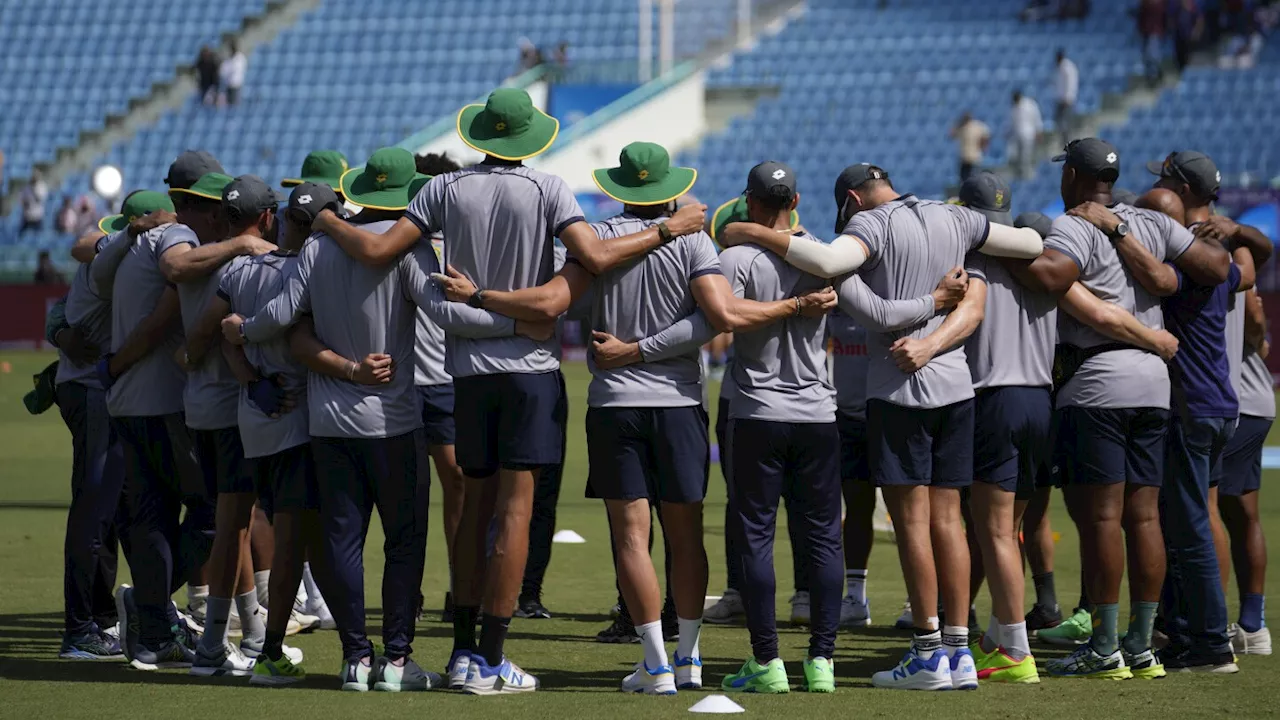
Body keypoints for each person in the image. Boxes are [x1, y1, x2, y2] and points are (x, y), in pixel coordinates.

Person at [303, 88, 707, 695]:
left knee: (472, 512)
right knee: (515, 513)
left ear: (481, 136)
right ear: (529, 139)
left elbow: (381, 248)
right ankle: (491, 659)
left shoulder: (441, 189)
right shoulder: (547, 189)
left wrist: (326, 216)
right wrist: (668, 230)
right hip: (529, 370)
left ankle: (463, 650)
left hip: (468, 374)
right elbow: (588, 261)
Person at [223, 146, 533, 692]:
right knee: (403, 542)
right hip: (394, 422)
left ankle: (354, 659)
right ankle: (394, 661)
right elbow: (445, 313)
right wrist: (514, 323)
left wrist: (241, 332)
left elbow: (280, 317)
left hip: (328, 422)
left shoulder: (318, 247)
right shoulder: (405, 252)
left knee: (341, 541)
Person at [718, 163, 1032, 691]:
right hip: (956, 385)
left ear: (853, 201)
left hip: (899, 389)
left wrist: (749, 231)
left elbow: (840, 274)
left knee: (912, 523)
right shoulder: (952, 216)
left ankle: (929, 650)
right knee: (950, 521)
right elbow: (1027, 243)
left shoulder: (872, 225)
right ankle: (958, 651)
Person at [1005, 138, 1228, 680]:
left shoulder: (1075, 223)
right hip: (1155, 380)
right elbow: (1213, 267)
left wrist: (1008, 254)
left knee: (1102, 518)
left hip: (1099, 381)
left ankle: (1105, 646)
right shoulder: (1148, 220)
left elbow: (1052, 277)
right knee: (1145, 516)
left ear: (1074, 177)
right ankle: (1141, 643)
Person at [103, 151, 261, 670]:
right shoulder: (178, 237)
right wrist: (241, 242)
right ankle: (151, 608)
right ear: (186, 202)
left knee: (153, 515)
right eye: (213, 205)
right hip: (164, 402)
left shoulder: (133, 240)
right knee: (216, 514)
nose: (221, 217)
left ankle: (152, 627)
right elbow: (170, 284)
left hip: (132, 400)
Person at [194, 182, 346, 685]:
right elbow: (290, 329)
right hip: (298, 420)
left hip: (250, 420)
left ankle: (214, 644)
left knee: (235, 526)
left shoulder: (237, 269)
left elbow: (223, 332)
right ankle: (273, 651)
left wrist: (249, 380)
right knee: (296, 545)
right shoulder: (310, 269)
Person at [1146, 150, 1273, 666]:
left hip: (1193, 401)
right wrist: (1236, 230)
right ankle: (1195, 628)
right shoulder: (1225, 258)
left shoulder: (1189, 259)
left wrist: (1116, 235)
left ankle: (1210, 640)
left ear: (1179, 188)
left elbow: (1156, 282)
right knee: (1200, 517)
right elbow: (1253, 260)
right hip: (1224, 400)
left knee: (1193, 524)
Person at [169, 174, 288, 678]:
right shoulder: (251, 264)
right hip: (231, 409)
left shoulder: (207, 256)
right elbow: (213, 335)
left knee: (231, 527)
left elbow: (195, 337)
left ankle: (252, 636)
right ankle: (215, 646)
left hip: (201, 407)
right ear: (265, 218)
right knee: (233, 526)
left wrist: (187, 352)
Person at [49, 191, 172, 660]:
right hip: (93, 390)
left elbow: (63, 305)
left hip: (93, 390)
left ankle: (99, 620)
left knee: (112, 509)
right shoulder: (117, 259)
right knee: (95, 510)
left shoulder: (113, 254)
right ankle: (82, 627)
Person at [1008, 91, 1043, 180]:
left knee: (1026, 156)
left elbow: (1036, 118)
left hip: (1029, 134)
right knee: (1017, 155)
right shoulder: (1014, 107)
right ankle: (1020, 174)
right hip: (1017, 135)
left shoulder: (1030, 104)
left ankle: (1027, 175)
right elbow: (1012, 123)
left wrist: (1038, 131)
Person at [950, 113, 991, 183]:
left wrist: (983, 146)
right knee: (965, 181)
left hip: (974, 158)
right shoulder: (962, 127)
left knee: (973, 180)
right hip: (965, 158)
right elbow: (952, 135)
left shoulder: (976, 126)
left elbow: (986, 135)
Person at [1053, 49, 1078, 145]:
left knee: (1066, 121)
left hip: (1066, 99)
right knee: (1059, 120)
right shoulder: (1059, 67)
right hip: (1060, 98)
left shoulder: (1068, 67)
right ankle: (1063, 140)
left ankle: (1067, 141)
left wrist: (1068, 97)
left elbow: (1071, 83)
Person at [1139, 0, 1167, 83]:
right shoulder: (1145, 3)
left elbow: (1164, 18)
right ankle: (1152, 74)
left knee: (1153, 53)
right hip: (1146, 32)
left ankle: (1154, 75)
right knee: (1147, 55)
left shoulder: (1161, 4)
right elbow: (1141, 17)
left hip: (1155, 32)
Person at [1173, 0, 1205, 71]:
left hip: (1189, 38)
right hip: (1179, 37)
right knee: (1179, 57)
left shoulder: (1193, 8)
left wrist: (1196, 32)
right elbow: (1173, 20)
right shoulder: (1178, 8)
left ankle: (1188, 71)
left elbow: (1200, 20)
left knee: (1188, 57)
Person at [21, 170, 49, 235]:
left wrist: (34, 189)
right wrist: (25, 203)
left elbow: (39, 199)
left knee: (38, 235)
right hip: (27, 215)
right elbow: (22, 199)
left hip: (37, 216)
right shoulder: (27, 187)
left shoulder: (42, 187)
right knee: (22, 234)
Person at [220, 42, 247, 106]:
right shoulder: (228, 59)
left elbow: (236, 69)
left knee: (235, 104)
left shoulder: (240, 58)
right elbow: (223, 71)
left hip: (236, 85)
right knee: (229, 104)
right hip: (229, 85)